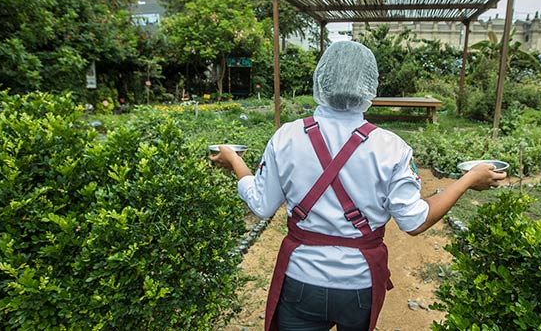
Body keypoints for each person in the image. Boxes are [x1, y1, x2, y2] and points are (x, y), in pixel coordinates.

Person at [210, 41, 506, 331]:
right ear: (370, 86)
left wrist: (235, 161)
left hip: (301, 281)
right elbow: (415, 221)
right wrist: (467, 179)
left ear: (320, 79)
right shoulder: (392, 147)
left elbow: (261, 204)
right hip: (359, 285)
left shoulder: (287, 137)